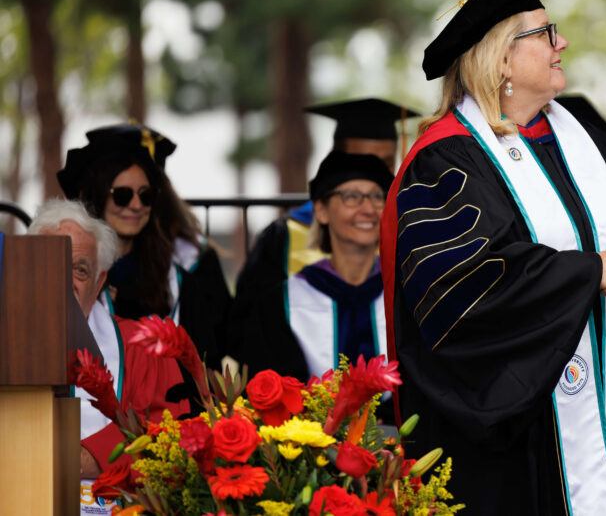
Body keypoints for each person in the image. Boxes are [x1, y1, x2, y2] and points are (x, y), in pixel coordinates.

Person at [380, 0, 606, 515]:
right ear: (503, 56)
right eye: (547, 33)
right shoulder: (447, 159)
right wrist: (592, 272)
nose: (564, 43)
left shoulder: (583, 141)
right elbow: (468, 285)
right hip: (522, 439)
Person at [227, 98, 416, 370]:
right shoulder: (284, 239)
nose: (375, 175)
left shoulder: (410, 235)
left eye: (385, 165)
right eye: (352, 195)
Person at [28, 199, 188, 516]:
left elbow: (172, 449)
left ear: (99, 282)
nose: (65, 280)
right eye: (51, 264)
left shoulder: (143, 350)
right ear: (27, 270)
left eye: (80, 269)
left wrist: (91, 455)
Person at [57, 124, 232, 370]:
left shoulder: (178, 282)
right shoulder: (69, 275)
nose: (137, 205)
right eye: (122, 195)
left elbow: (206, 365)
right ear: (97, 198)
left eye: (145, 195)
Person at [229, 152, 393, 383]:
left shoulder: (404, 296)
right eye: (352, 196)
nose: (368, 209)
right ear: (321, 211)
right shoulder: (282, 302)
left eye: (377, 197)